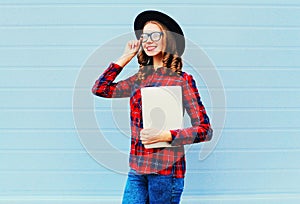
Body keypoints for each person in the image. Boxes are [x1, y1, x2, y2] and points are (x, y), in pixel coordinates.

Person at [92, 10, 213, 204]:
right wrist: (125, 57)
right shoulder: (138, 79)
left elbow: (205, 131)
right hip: (137, 169)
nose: (148, 40)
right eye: (144, 36)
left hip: (166, 172)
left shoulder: (182, 80)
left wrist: (166, 135)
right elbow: (100, 89)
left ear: (169, 39)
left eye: (155, 35)